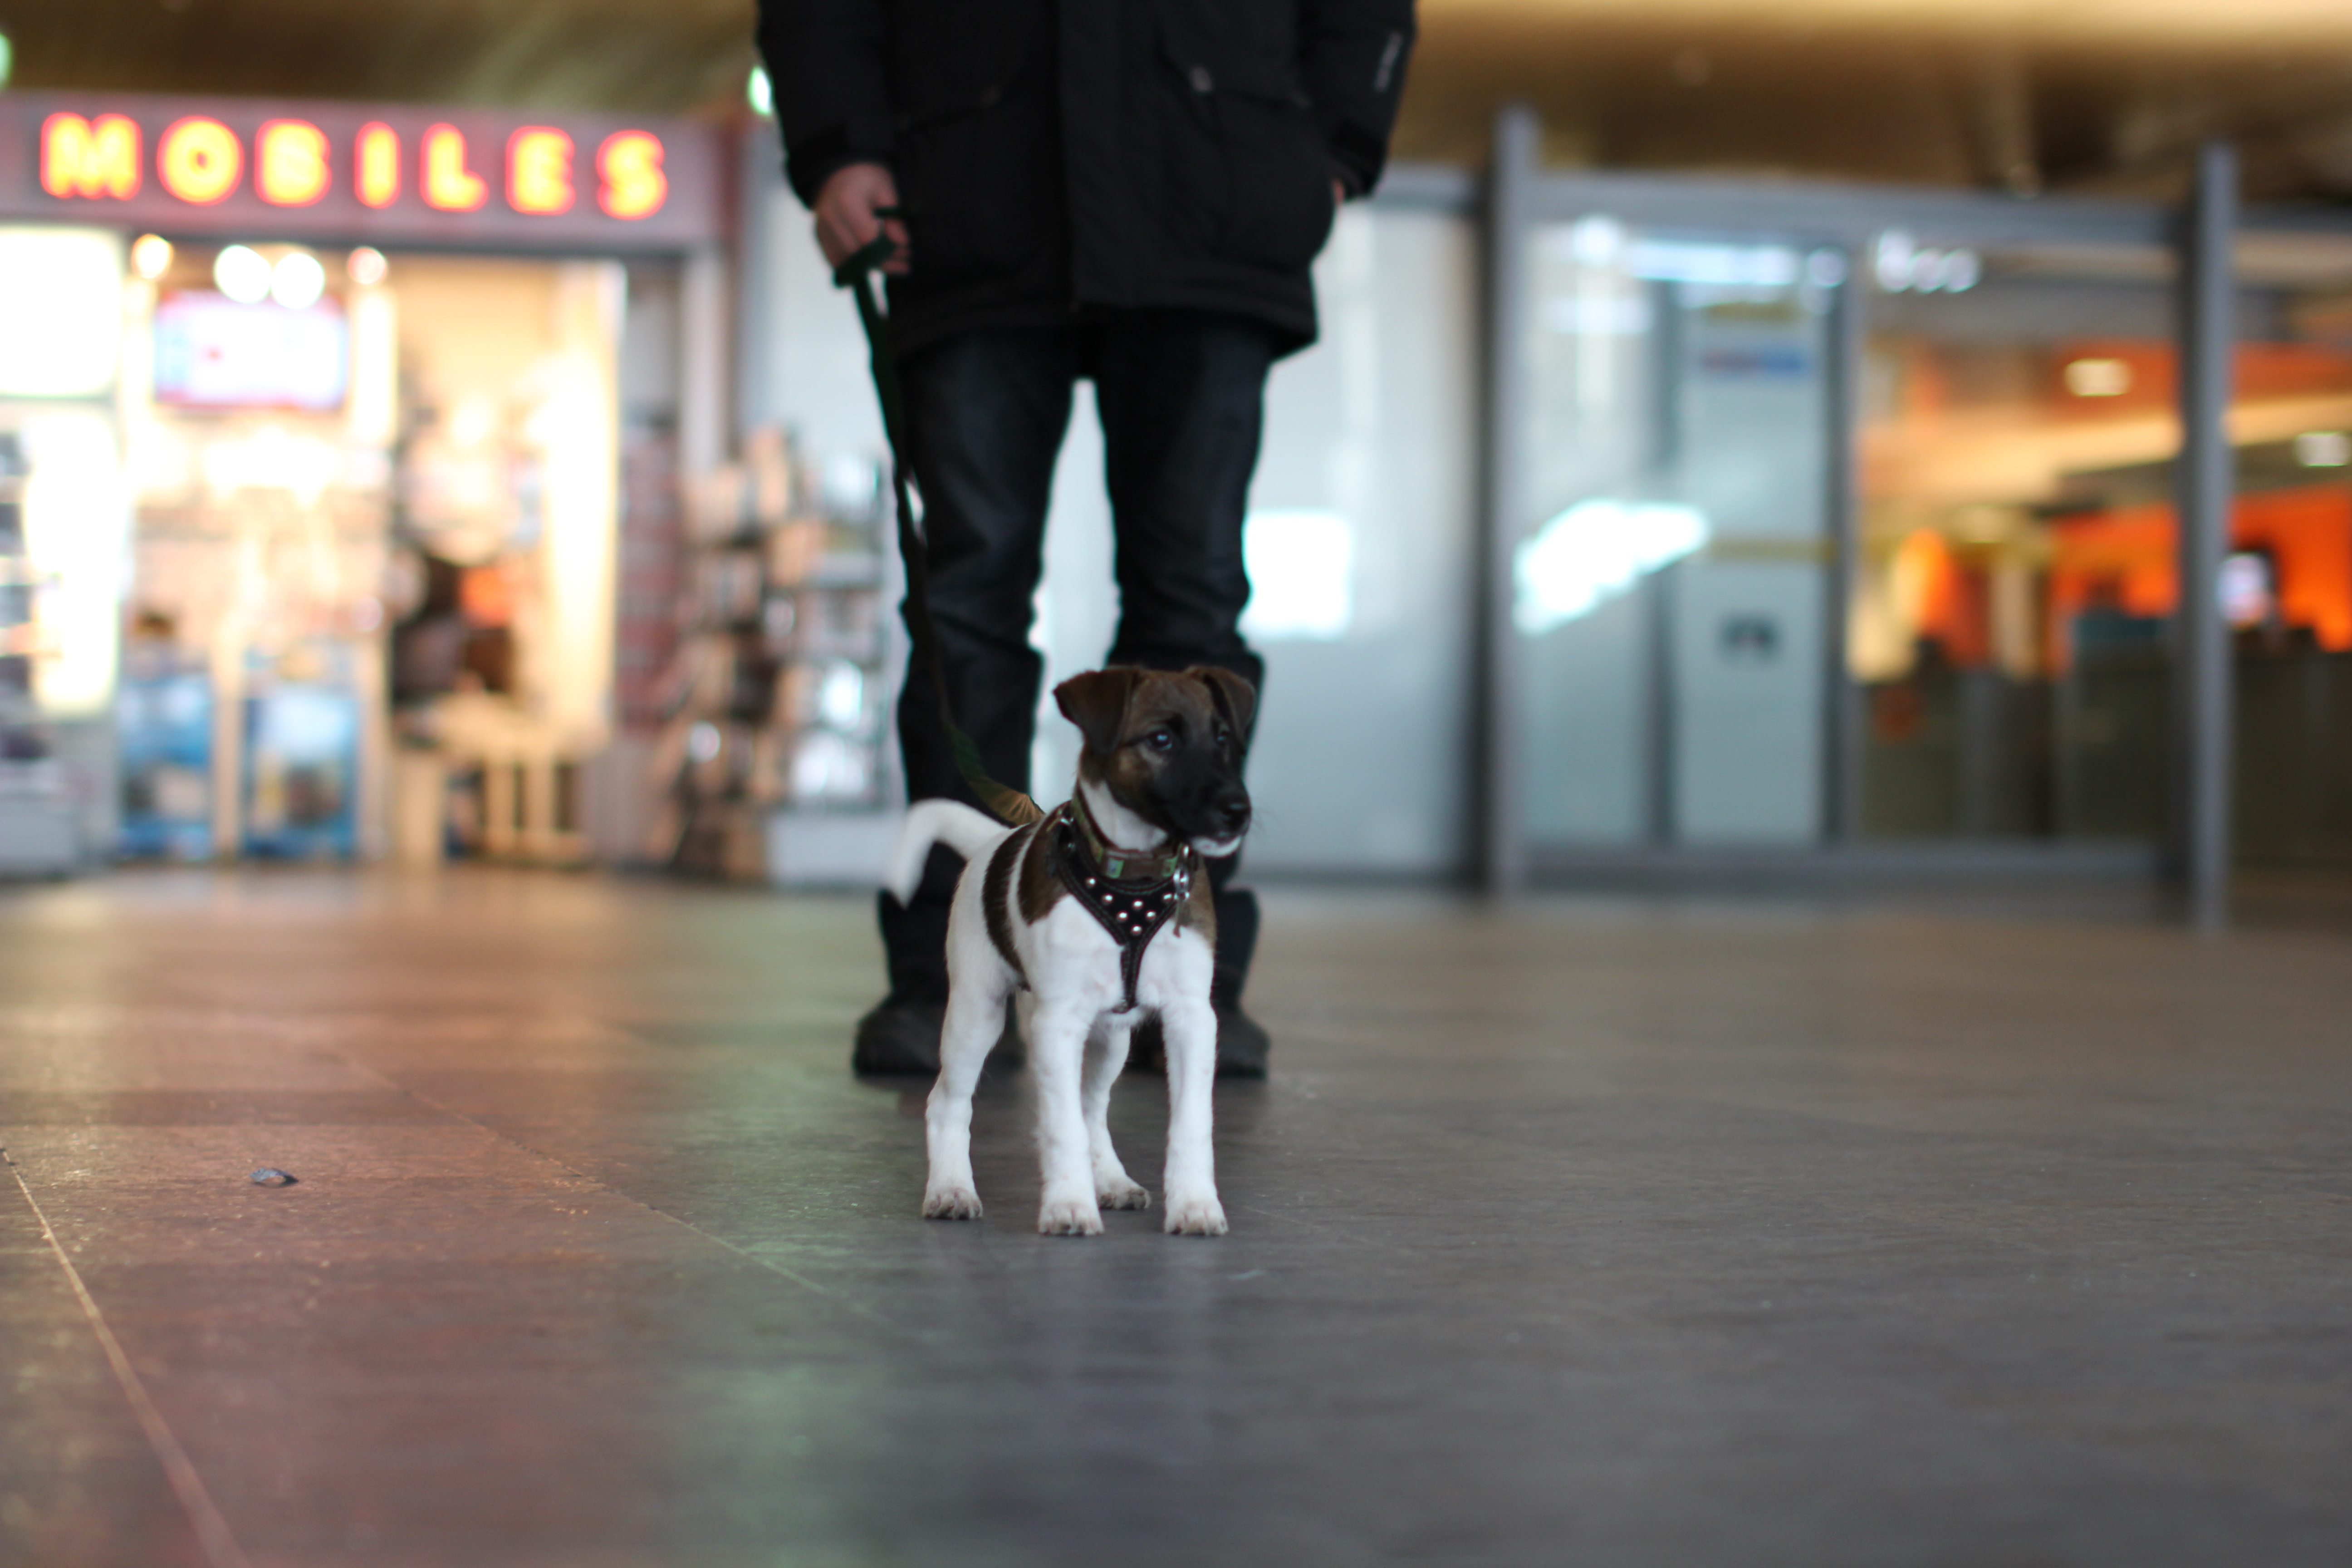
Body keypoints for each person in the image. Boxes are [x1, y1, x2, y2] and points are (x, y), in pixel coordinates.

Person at [757, 0, 1417, 1077]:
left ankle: (1181, 966)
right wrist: (837, 144)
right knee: (967, 600)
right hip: (971, 193)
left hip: (1213, 191)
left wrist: (1331, 147)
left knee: (1191, 605)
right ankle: (950, 968)